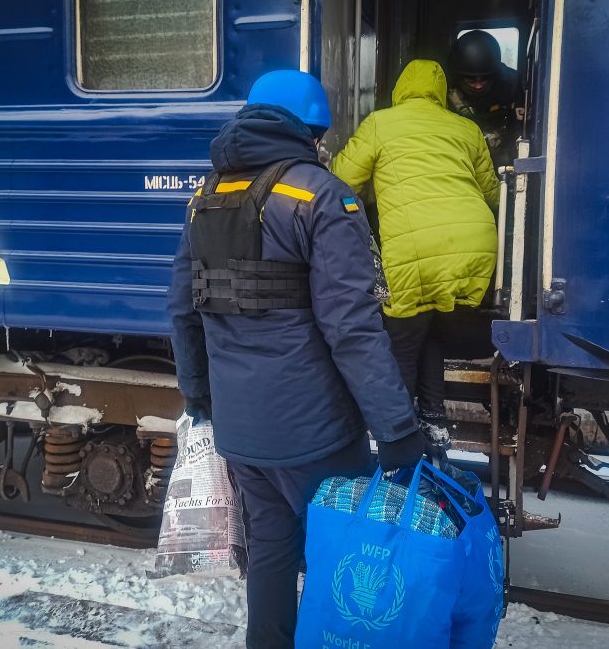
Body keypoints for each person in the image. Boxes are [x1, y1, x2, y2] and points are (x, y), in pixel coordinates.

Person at [167, 70, 424, 648]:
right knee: (340, 557)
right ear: (310, 130)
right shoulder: (322, 194)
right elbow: (353, 328)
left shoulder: (206, 197)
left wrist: (198, 396)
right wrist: (397, 427)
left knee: (271, 551)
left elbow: (181, 309)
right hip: (318, 432)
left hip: (241, 429)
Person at [331, 59, 499, 429]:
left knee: (402, 342)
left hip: (414, 249)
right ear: (440, 92)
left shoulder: (380, 123)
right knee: (432, 329)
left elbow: (342, 179)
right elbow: (493, 193)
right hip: (472, 244)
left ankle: (398, 433)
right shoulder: (466, 128)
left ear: (399, 88)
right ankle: (434, 421)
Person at [446, 30, 522, 166]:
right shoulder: (446, 89)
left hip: (501, 148)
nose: (478, 85)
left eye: (483, 79)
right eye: (471, 81)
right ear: (459, 77)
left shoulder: (510, 85)